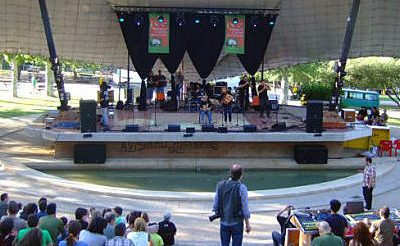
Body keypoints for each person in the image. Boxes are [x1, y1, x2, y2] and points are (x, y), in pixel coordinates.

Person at [212, 164, 251, 246]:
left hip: (223, 221)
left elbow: (215, 204)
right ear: (241, 176)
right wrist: (247, 224)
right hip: (237, 222)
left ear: (230, 173)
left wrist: (217, 212)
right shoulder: (242, 187)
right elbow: (245, 207)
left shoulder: (220, 185)